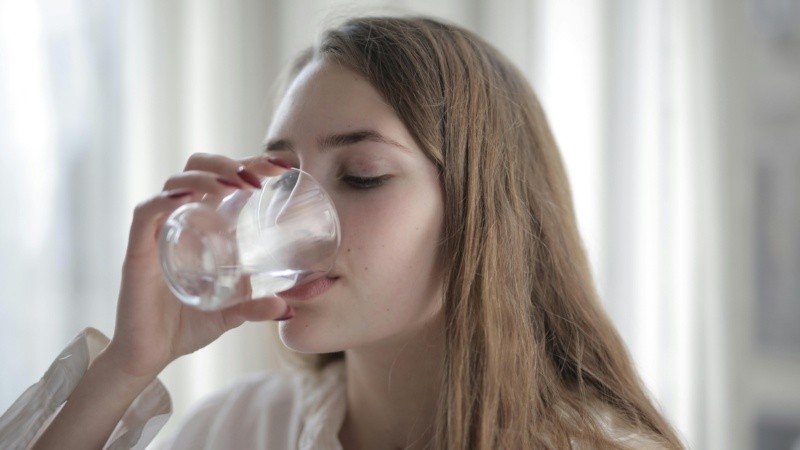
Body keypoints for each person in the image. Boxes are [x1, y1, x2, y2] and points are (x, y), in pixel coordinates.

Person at [1, 16, 683, 449]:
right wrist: (127, 366)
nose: (289, 215)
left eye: (360, 175)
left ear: (484, 213)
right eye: (282, 177)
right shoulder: (244, 430)